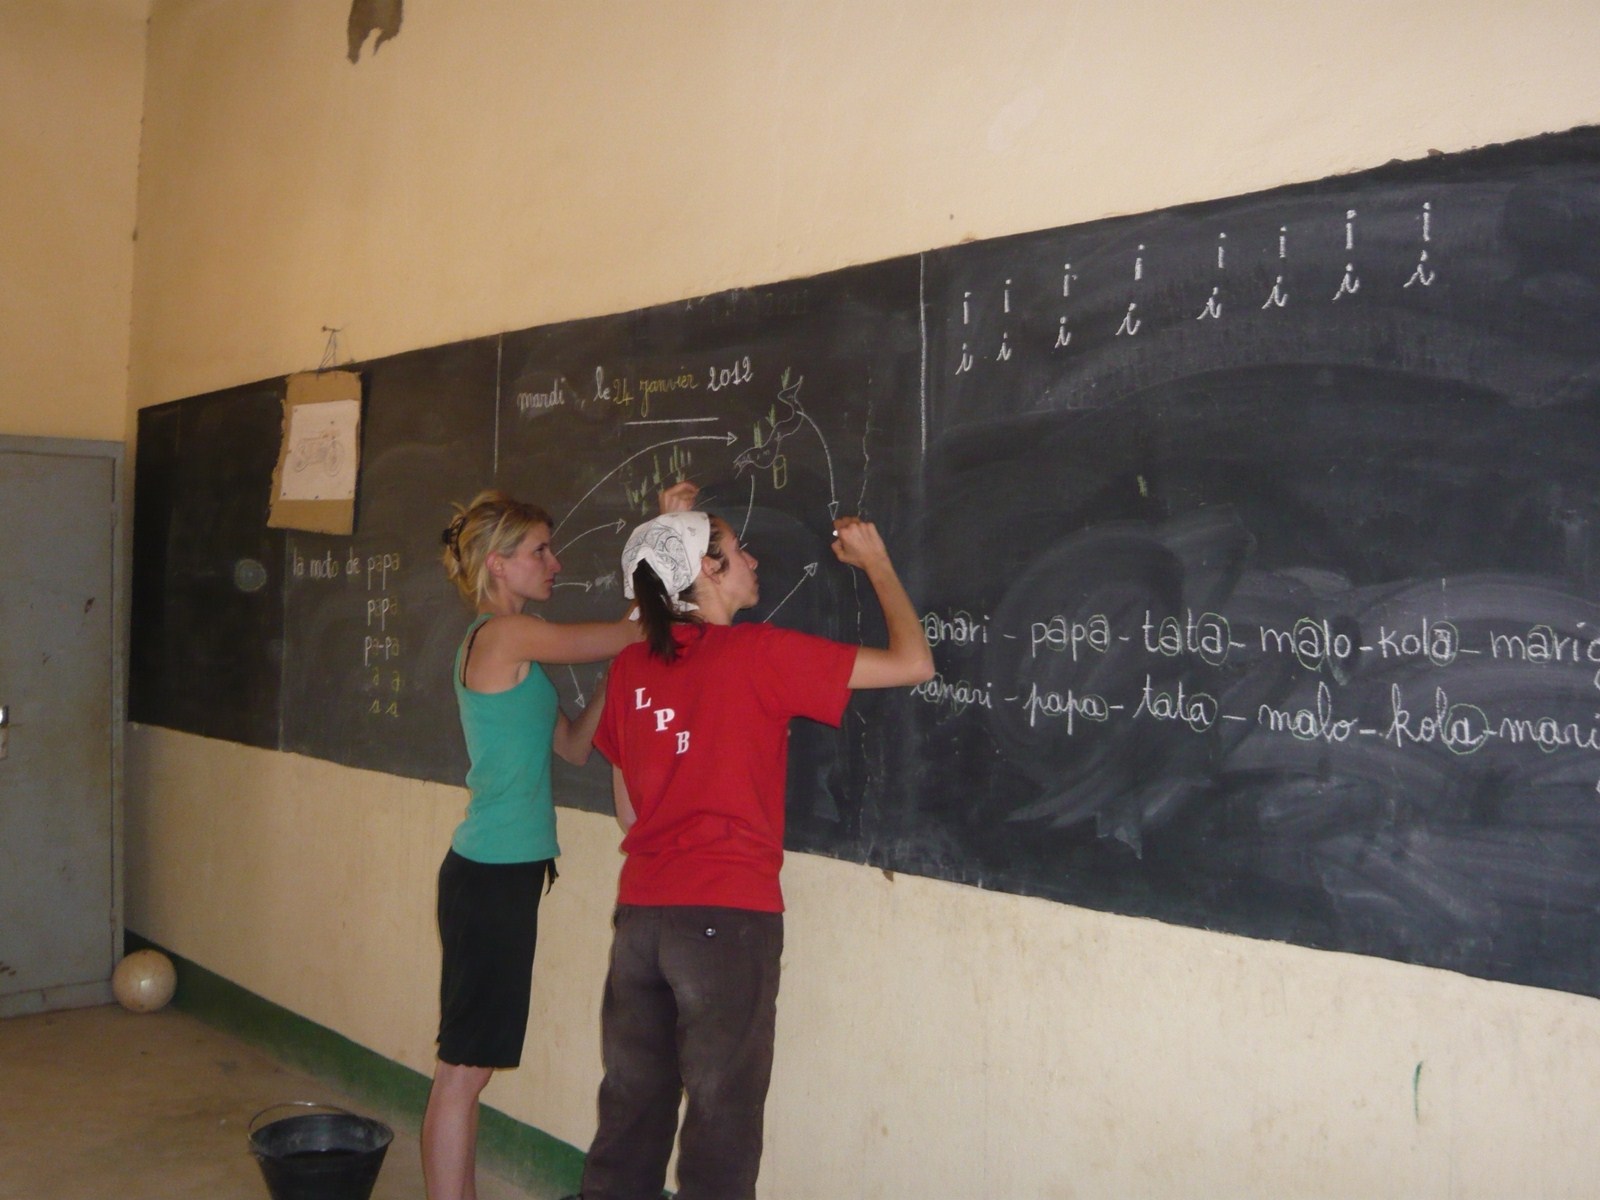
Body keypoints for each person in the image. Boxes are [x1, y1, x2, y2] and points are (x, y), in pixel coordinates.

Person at [567, 484, 934, 1200]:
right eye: (738, 552)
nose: (754, 561)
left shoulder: (630, 669)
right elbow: (913, 662)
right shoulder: (758, 654)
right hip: (726, 917)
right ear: (706, 571)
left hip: (642, 918)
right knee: (721, 1128)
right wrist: (878, 564)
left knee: (630, 1119)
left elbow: (630, 813)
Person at [425, 488, 665, 1200]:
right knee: (464, 1070)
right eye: (540, 551)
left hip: (503, 873)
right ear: (498, 564)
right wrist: (662, 537)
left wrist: (615, 682)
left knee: (468, 1066)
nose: (555, 563)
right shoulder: (504, 636)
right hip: (490, 876)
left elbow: (572, 747)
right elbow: (625, 634)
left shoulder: (515, 650)